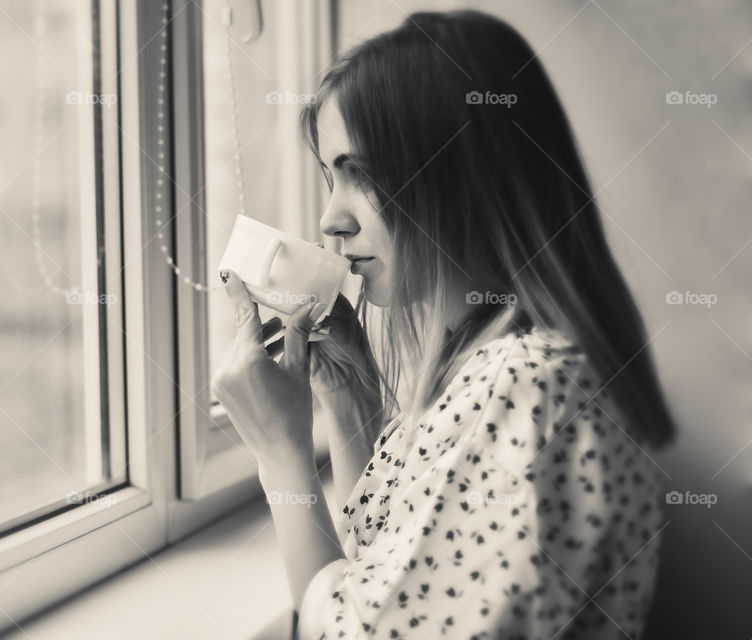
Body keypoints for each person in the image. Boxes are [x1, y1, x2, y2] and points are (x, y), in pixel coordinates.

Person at [211, 9, 675, 639]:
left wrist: (279, 453)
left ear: (465, 174)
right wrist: (348, 403)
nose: (330, 221)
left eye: (364, 176)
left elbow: (353, 631)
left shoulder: (529, 389)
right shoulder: (487, 367)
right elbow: (386, 579)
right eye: (330, 180)